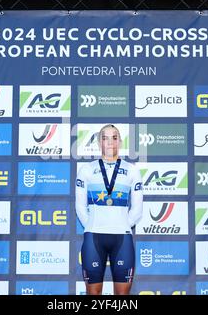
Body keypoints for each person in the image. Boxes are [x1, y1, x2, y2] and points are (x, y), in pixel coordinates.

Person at [75, 124, 143, 295]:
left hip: (122, 238)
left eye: (114, 137)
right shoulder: (86, 170)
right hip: (93, 236)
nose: (110, 142)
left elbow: (137, 209)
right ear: (99, 142)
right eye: (105, 137)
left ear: (120, 141)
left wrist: (122, 225)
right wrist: (91, 225)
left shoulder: (132, 170)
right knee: (93, 294)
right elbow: (80, 206)